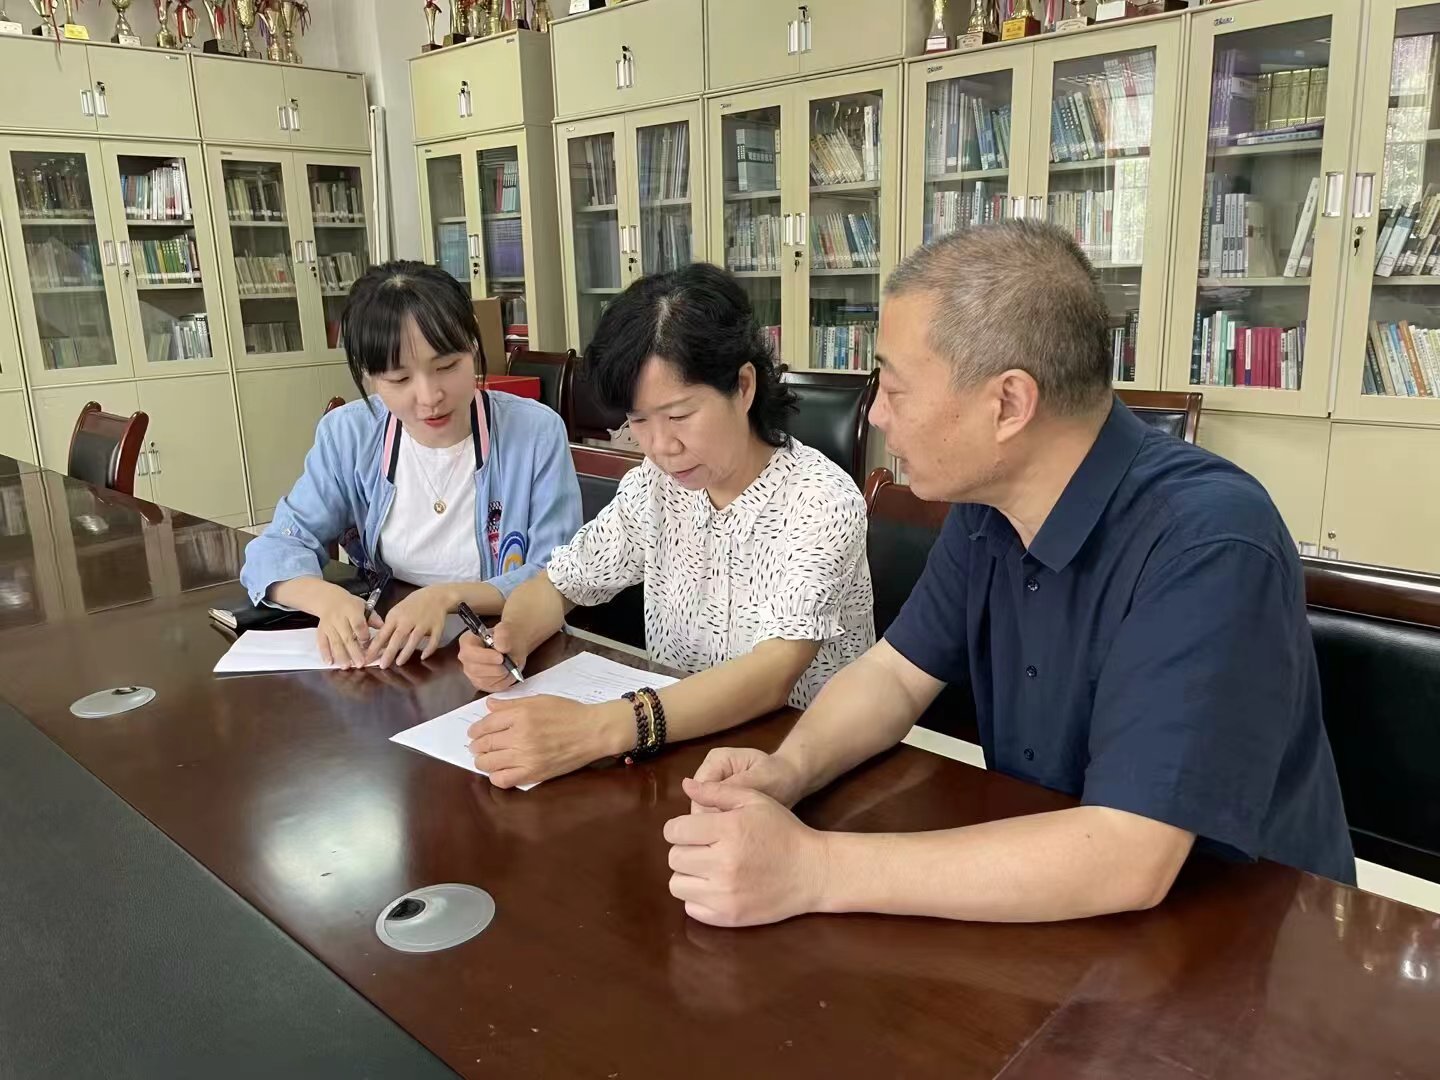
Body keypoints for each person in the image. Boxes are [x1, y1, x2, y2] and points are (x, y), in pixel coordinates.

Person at [663, 221, 1354, 928]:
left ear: (1009, 405)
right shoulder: (988, 505)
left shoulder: (1209, 543)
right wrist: (788, 770)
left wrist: (813, 869)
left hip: (1238, 934)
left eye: (895, 388)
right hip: (1055, 896)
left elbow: (1129, 854)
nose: (877, 413)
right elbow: (895, 675)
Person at [459, 263, 875, 789]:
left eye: (679, 416)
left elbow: (772, 675)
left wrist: (598, 730)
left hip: (795, 762)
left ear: (744, 386)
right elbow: (558, 583)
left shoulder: (821, 501)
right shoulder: (653, 487)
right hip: (675, 752)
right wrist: (511, 637)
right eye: (638, 421)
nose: (660, 446)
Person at [240, 261, 581, 669]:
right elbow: (277, 546)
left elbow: (558, 574)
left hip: (506, 649)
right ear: (368, 375)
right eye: (399, 380)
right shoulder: (349, 435)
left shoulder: (535, 432)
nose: (429, 396)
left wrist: (447, 597)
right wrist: (327, 599)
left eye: (447, 366)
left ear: (473, 344)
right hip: (395, 657)